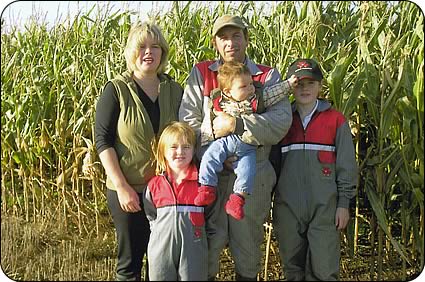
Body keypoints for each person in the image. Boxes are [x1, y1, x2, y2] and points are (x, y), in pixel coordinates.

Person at [179, 14, 293, 281]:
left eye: (236, 36)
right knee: (208, 245)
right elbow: (188, 121)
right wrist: (214, 150)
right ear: (215, 43)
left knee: (248, 249)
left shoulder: (266, 76)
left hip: (255, 173)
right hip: (212, 175)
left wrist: (237, 125)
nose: (230, 42)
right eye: (223, 37)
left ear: (246, 39)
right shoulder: (202, 74)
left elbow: (280, 122)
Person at [94, 21, 183, 281]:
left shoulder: (174, 89)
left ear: (163, 53)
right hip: (129, 190)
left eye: (155, 47)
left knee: (161, 262)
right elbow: (103, 141)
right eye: (142, 46)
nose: (149, 52)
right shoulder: (116, 90)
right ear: (132, 52)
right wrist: (122, 186)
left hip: (166, 191)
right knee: (130, 264)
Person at [271, 58, 357, 280]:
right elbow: (271, 167)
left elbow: (347, 165)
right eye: (298, 83)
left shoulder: (336, 120)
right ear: (290, 87)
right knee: (292, 268)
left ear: (320, 86)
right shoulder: (282, 120)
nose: (304, 88)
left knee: (324, 269)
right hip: (288, 208)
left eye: (310, 83)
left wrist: (344, 205)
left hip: (325, 210)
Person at [195, 61, 297, 221]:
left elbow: (274, 94)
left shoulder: (255, 99)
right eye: (244, 86)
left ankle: (237, 199)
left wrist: (289, 84)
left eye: (251, 83)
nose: (250, 88)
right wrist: (208, 142)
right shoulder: (218, 102)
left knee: (247, 171)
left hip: (247, 147)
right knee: (210, 157)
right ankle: (206, 187)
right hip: (224, 143)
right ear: (228, 92)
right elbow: (207, 125)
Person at [143, 121, 208, 281]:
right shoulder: (154, 186)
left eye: (186, 147)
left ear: (194, 151)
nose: (180, 152)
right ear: (163, 151)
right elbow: (151, 215)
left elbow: (212, 217)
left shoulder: (202, 184)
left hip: (194, 249)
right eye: (173, 147)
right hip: (161, 250)